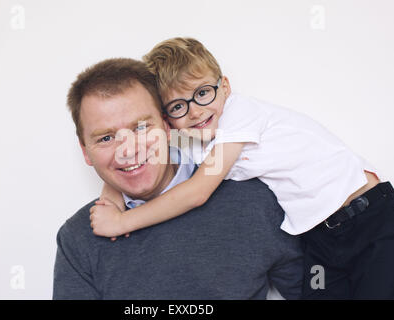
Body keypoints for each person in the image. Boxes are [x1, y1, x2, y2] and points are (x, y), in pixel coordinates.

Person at [90, 38, 394, 299]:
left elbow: (197, 192)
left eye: (203, 93)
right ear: (168, 118)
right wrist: (113, 194)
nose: (195, 110)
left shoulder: (239, 115)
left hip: (369, 217)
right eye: (178, 106)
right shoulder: (200, 139)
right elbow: (139, 152)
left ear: (225, 87)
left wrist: (121, 222)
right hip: (321, 239)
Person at [53, 57, 304, 299]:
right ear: (86, 151)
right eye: (106, 138)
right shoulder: (79, 238)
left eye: (140, 127)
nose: (128, 150)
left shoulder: (251, 200)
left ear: (166, 127)